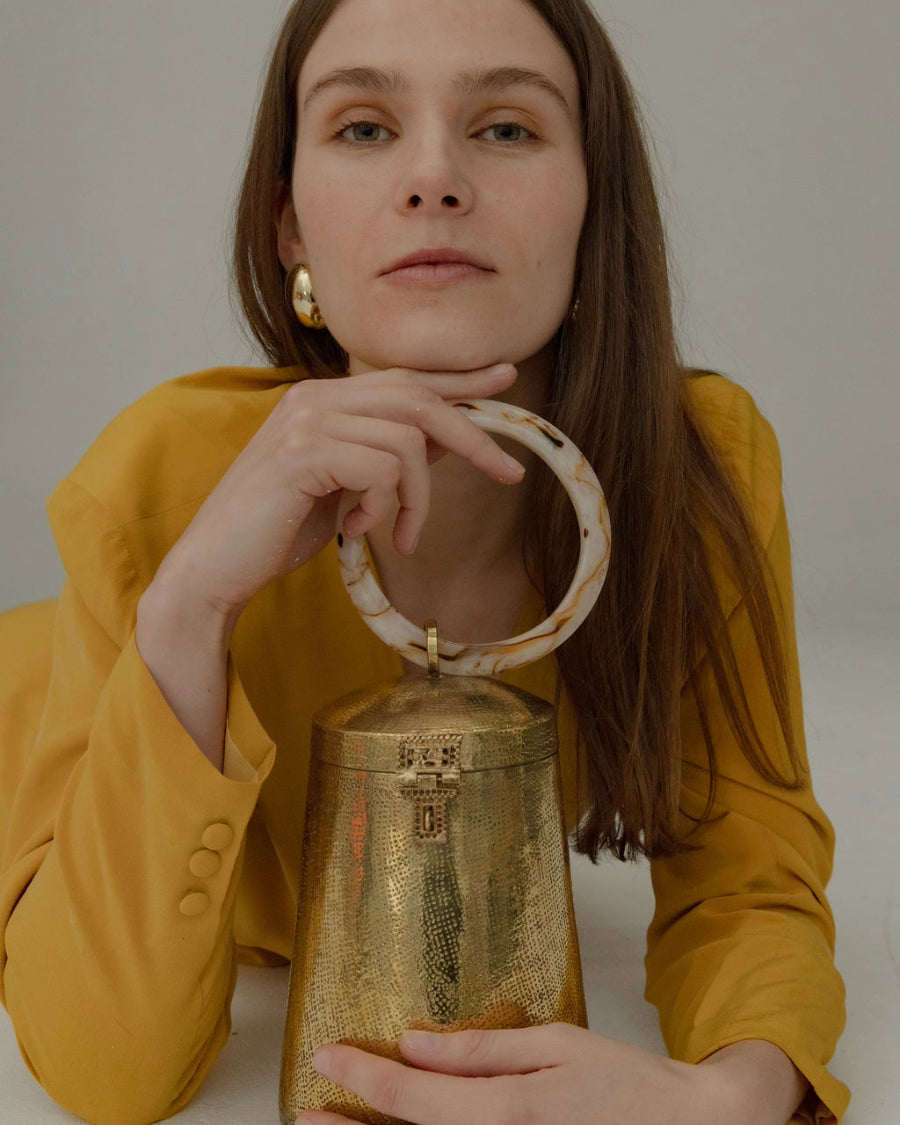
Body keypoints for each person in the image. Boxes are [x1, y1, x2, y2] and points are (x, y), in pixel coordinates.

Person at [0, 0, 848, 1122]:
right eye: (362, 128)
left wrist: (731, 1098)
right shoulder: (157, 481)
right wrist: (188, 607)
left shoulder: (696, 469)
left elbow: (751, 877)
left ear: (598, 214)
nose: (434, 178)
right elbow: (108, 1076)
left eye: (506, 128)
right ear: (289, 230)